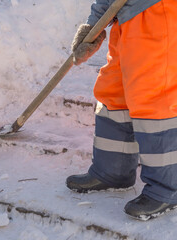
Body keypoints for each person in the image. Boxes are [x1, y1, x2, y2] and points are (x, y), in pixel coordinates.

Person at [67, 0, 177, 220]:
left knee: (153, 97)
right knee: (114, 93)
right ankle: (112, 171)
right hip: (124, 18)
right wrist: (93, 24)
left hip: (156, 14)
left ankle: (167, 189)